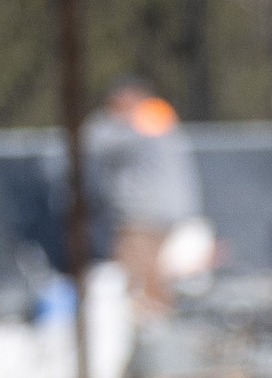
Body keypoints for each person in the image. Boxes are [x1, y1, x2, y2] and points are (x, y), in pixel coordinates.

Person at [84, 80, 207, 309]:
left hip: (143, 223)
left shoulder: (141, 122)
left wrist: (110, 117)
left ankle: (147, 337)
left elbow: (93, 140)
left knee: (137, 290)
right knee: (157, 286)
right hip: (169, 217)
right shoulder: (160, 118)